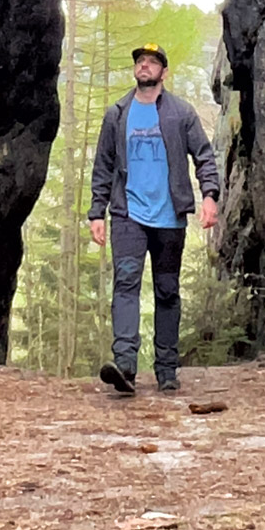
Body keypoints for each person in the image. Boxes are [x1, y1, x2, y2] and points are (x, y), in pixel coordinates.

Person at [87, 41, 219, 394]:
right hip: (127, 214)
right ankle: (126, 366)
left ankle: (167, 369)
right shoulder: (118, 113)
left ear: (164, 71)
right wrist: (96, 212)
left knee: (167, 290)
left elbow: (204, 156)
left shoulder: (181, 113)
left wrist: (210, 196)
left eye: (152, 62)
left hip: (170, 217)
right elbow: (103, 165)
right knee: (126, 284)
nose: (144, 66)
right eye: (140, 62)